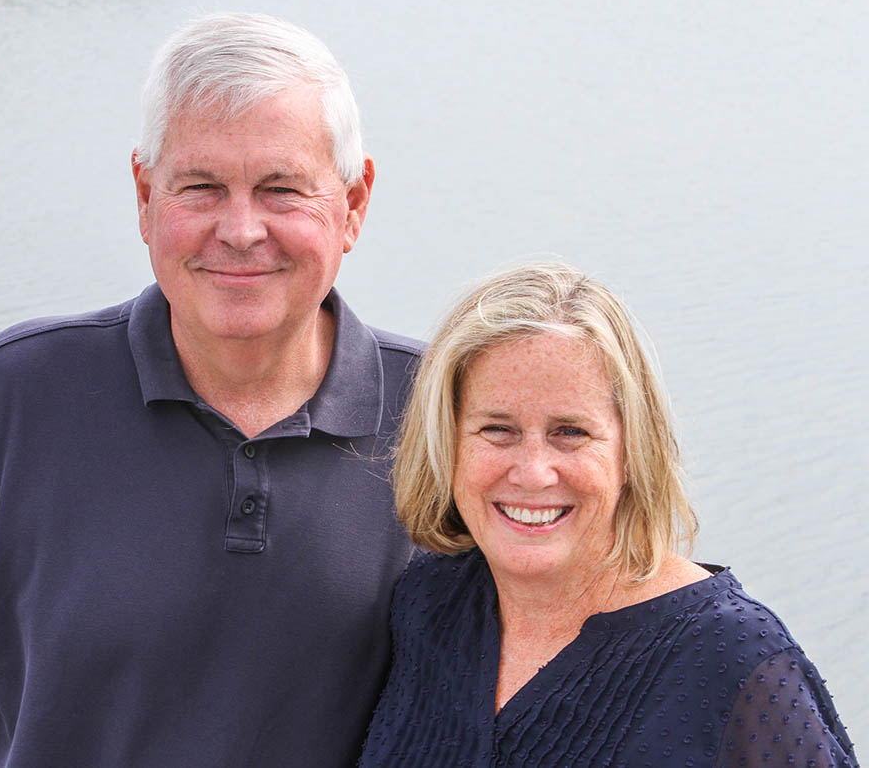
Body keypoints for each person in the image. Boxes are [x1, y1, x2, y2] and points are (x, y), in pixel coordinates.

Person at [0, 12, 420, 768]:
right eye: (201, 186)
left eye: (281, 189)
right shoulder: (12, 401)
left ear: (353, 203)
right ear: (144, 194)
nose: (241, 228)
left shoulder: (444, 419)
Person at [359, 262, 858, 768]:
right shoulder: (430, 602)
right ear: (447, 442)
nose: (533, 473)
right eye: (497, 429)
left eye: (570, 432)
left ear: (631, 451)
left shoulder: (738, 659)